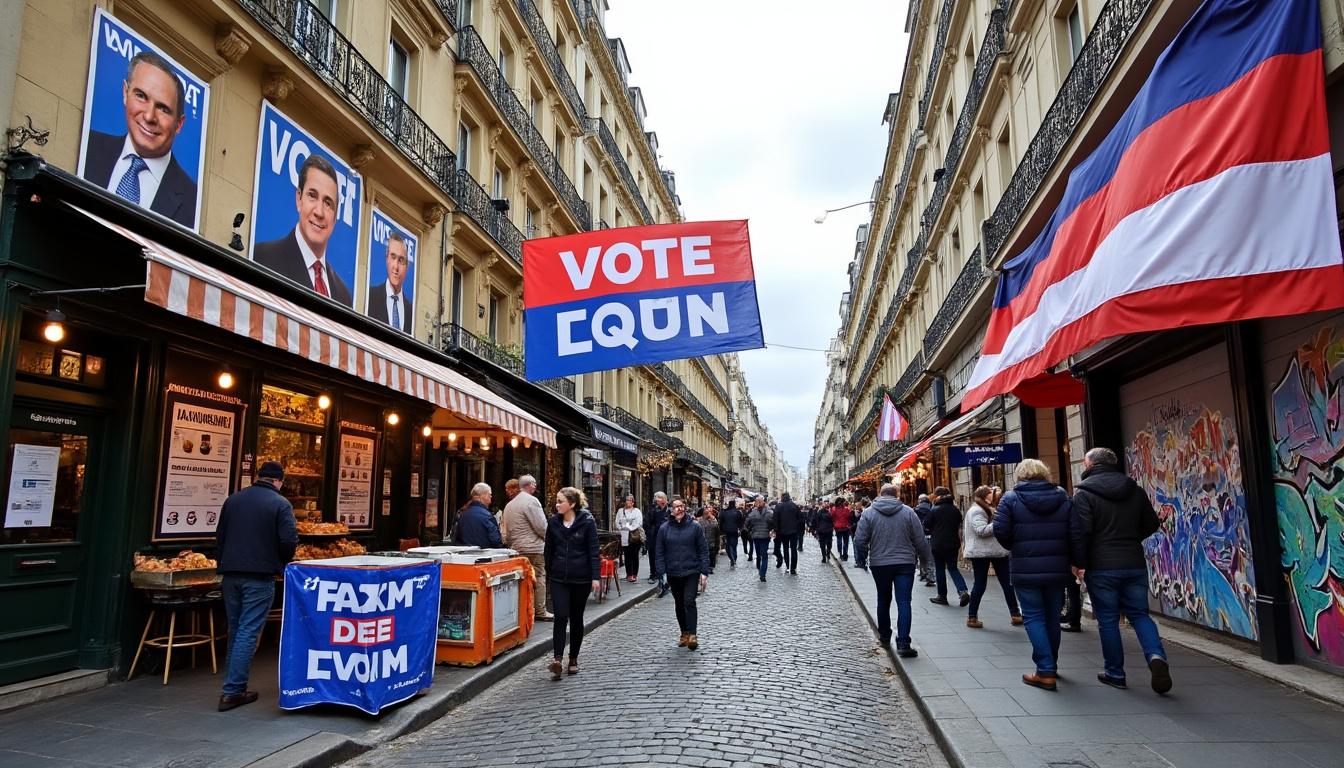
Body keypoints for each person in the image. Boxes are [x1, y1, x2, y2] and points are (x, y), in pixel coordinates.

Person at [1071, 447, 1172, 694]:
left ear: (1091, 465)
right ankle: (1156, 656)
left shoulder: (1083, 494)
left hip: (1101, 565)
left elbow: (1081, 532)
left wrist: (1079, 563)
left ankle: (1115, 673)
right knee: (1140, 615)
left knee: (1107, 620)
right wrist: (1130, 539)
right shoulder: (1134, 491)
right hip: (1133, 562)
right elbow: (1151, 523)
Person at [214, 461, 297, 711]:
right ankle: (233, 690)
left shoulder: (233, 500)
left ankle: (231, 684)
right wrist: (281, 562)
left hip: (230, 574)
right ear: (278, 480)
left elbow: (220, 536)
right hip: (259, 575)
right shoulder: (281, 504)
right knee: (249, 631)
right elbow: (288, 541)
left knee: (236, 629)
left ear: (259, 477)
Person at [82, 51, 197, 227]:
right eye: (141, 96)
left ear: (179, 124)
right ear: (125, 93)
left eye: (163, 108)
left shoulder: (193, 201)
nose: (150, 116)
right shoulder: (88, 146)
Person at [994, 459, 1074, 691]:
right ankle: (1052, 664)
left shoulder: (1010, 498)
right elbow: (1075, 530)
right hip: (1058, 567)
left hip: (1026, 567)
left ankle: (1045, 670)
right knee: (1052, 618)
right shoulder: (1061, 496)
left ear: (1020, 475)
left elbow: (1000, 530)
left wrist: (1014, 545)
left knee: (1033, 617)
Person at [253, 153, 354, 307]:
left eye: (328, 203)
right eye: (312, 196)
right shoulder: (263, 257)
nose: (319, 212)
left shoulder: (343, 295)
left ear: (335, 217)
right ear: (298, 199)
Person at [854, 483, 932, 658]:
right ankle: (903, 643)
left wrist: (864, 557)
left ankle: (884, 635)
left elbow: (859, 541)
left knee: (883, 599)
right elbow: (920, 540)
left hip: (879, 563)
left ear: (880, 494)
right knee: (904, 601)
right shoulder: (908, 512)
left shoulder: (868, 513)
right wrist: (925, 561)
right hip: (905, 563)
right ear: (897, 495)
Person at [543, 487, 600, 680]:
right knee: (560, 615)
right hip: (559, 577)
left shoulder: (587, 522)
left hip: (581, 577)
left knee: (576, 618)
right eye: (557, 501)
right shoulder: (553, 523)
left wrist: (595, 577)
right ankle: (557, 658)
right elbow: (548, 550)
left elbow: (593, 550)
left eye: (560, 501)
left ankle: (573, 658)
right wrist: (550, 572)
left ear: (572, 504)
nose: (557, 505)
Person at [655, 498, 710, 650]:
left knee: (689, 601)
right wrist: (662, 572)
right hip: (673, 572)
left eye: (681, 506)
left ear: (684, 508)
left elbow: (703, 550)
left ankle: (692, 634)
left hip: (691, 570)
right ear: (671, 511)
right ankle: (684, 633)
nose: (679, 509)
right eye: (676, 507)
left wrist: (704, 572)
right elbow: (659, 552)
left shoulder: (695, 527)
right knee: (679, 603)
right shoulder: (664, 529)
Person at [964, 485, 1021, 628]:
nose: (993, 495)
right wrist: (999, 523)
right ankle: (972, 617)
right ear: (985, 496)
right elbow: (981, 530)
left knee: (1007, 583)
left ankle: (1015, 614)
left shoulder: (988, 509)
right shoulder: (976, 510)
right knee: (980, 585)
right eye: (990, 493)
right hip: (981, 553)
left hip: (995, 551)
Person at [502, 475, 552, 621]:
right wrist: (549, 541)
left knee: (521, 580)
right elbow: (542, 527)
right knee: (539, 577)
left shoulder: (509, 505)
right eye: (534, 484)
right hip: (534, 548)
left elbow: (505, 531)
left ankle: (523, 609)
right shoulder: (531, 501)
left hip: (517, 548)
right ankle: (539, 610)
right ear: (529, 485)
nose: (535, 487)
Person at [926, 486, 970, 606]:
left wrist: (932, 531)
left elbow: (926, 525)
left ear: (937, 496)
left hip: (938, 544)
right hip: (952, 543)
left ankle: (942, 596)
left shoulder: (934, 510)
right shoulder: (954, 510)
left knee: (940, 569)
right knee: (953, 568)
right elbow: (958, 523)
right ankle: (962, 590)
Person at [367, 232, 411, 332]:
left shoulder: (410, 311)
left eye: (401, 260)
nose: (396, 267)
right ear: (387, 259)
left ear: (406, 266)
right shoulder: (371, 296)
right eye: (393, 257)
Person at [453, 482, 503, 548]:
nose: (491, 497)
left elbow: (456, 538)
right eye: (489, 494)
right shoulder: (487, 516)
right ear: (483, 495)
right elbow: (496, 540)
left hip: (465, 555)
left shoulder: (463, 515)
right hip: (485, 555)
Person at [645, 492, 671, 596]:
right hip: (654, 536)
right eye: (656, 497)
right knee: (653, 555)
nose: (657, 499)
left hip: (667, 537)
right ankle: (653, 574)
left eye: (659, 498)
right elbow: (647, 522)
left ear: (664, 499)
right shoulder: (652, 509)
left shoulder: (669, 510)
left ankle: (664, 577)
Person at [614, 495, 644, 583]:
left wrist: (630, 528)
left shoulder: (637, 511)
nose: (627, 502)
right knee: (627, 555)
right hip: (624, 535)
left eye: (629, 500)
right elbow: (617, 522)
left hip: (635, 536)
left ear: (633, 502)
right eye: (626, 500)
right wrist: (621, 528)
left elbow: (638, 523)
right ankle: (629, 574)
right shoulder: (620, 511)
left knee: (635, 555)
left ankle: (635, 574)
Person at [744, 495, 774, 582]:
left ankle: (760, 571)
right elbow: (772, 522)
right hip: (764, 536)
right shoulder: (769, 512)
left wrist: (750, 530)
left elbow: (747, 523)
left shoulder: (753, 512)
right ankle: (762, 574)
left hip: (756, 536)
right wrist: (770, 530)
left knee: (759, 555)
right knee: (764, 556)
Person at [773, 492, 803, 575]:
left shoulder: (779, 506)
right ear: (789, 497)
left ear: (782, 498)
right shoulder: (794, 506)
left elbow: (775, 519)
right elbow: (800, 518)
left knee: (785, 549)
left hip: (782, 532)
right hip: (793, 531)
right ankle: (793, 568)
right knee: (794, 550)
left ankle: (787, 566)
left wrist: (776, 530)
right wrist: (798, 528)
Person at [914, 493, 936, 585]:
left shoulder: (915, 511)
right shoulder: (933, 509)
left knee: (921, 556)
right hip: (931, 535)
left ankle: (924, 573)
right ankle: (930, 576)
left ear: (920, 501)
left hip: (919, 536)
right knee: (930, 557)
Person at [696, 505, 721, 578]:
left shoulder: (714, 520)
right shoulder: (699, 521)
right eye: (706, 513)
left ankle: (710, 567)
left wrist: (717, 544)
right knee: (704, 556)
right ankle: (705, 567)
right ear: (703, 514)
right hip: (702, 542)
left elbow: (717, 532)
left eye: (709, 512)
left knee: (711, 555)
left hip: (711, 542)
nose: (708, 514)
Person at [719, 499, 743, 569]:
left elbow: (721, 522)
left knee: (728, 546)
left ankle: (731, 558)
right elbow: (741, 522)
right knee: (734, 546)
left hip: (727, 531)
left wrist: (721, 530)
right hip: (735, 531)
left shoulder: (725, 512)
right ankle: (734, 559)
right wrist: (739, 529)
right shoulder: (738, 512)